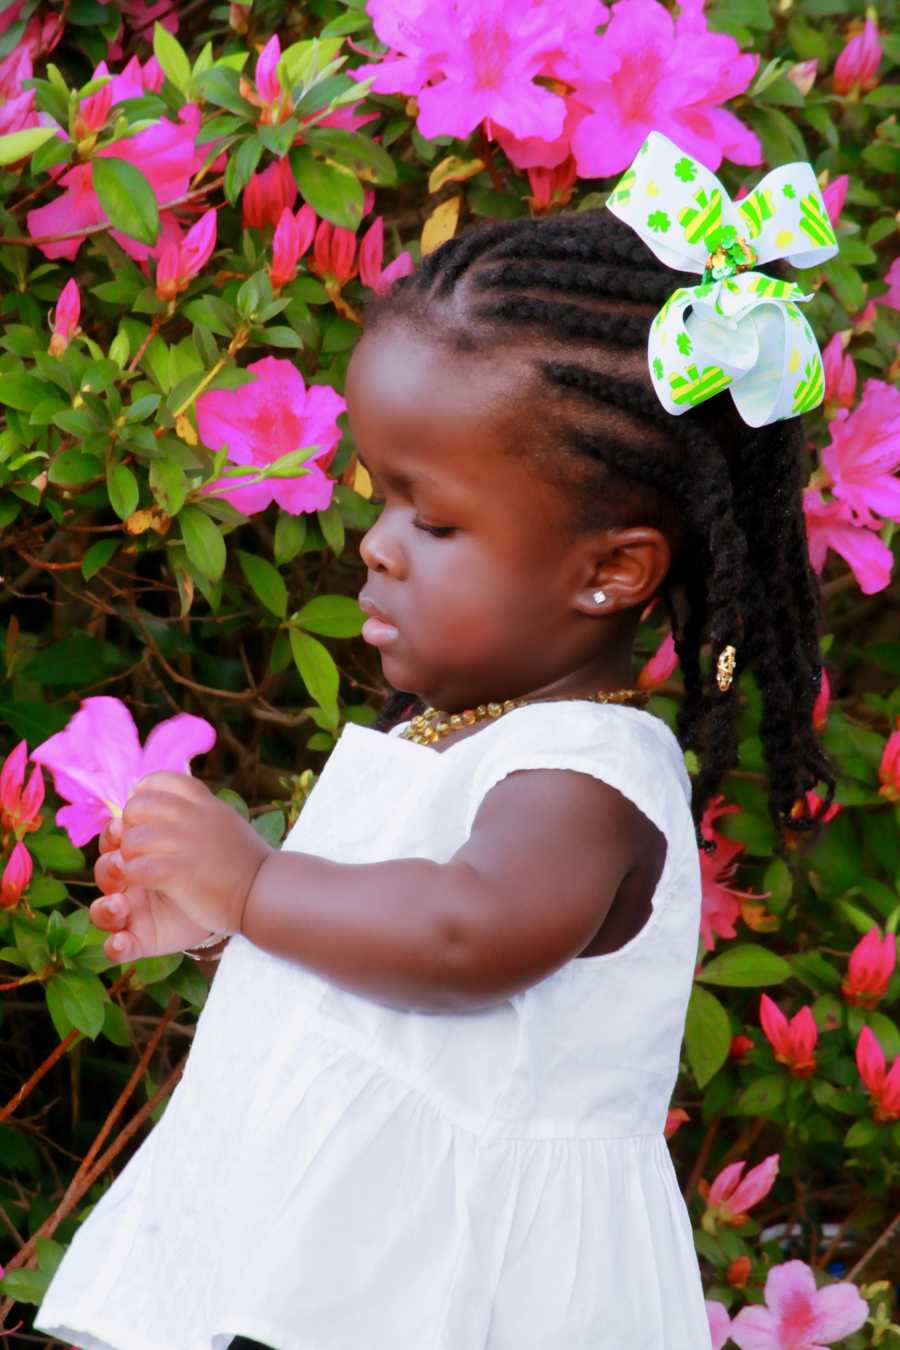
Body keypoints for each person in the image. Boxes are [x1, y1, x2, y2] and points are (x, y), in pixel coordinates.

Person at [34, 131, 838, 1350]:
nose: (378, 543)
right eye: (379, 494)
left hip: (469, 1299)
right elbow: (385, 995)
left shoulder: (587, 775)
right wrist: (225, 936)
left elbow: (466, 939)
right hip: (358, 1274)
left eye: (437, 517)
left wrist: (255, 885)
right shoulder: (453, 734)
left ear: (612, 572)